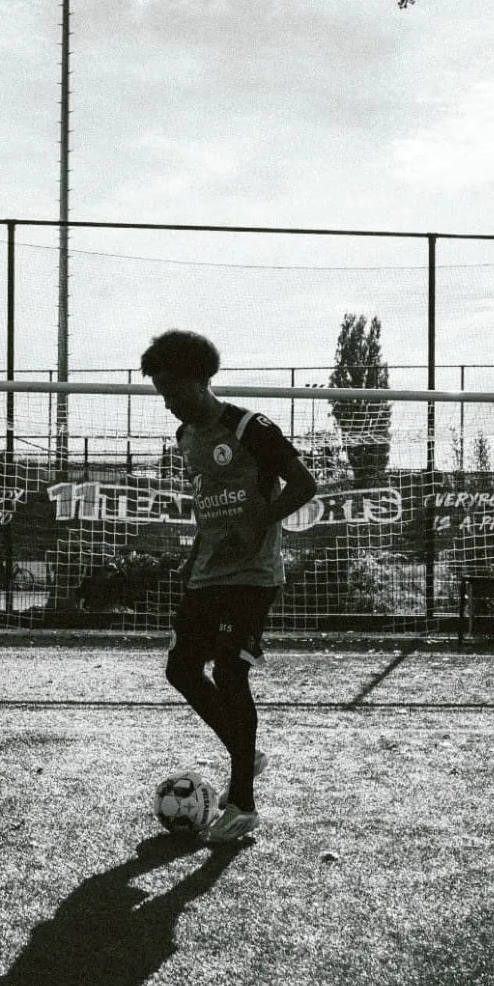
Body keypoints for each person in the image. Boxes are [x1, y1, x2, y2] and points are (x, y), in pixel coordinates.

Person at [141, 329, 319, 843]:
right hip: (207, 573)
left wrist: (258, 521)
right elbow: (209, 504)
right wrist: (194, 555)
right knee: (181, 670)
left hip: (253, 575)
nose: (168, 404)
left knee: (229, 672)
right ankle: (245, 751)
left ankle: (242, 804)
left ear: (200, 380)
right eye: (161, 394)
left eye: (173, 391)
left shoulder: (248, 427)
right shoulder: (186, 439)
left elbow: (305, 485)